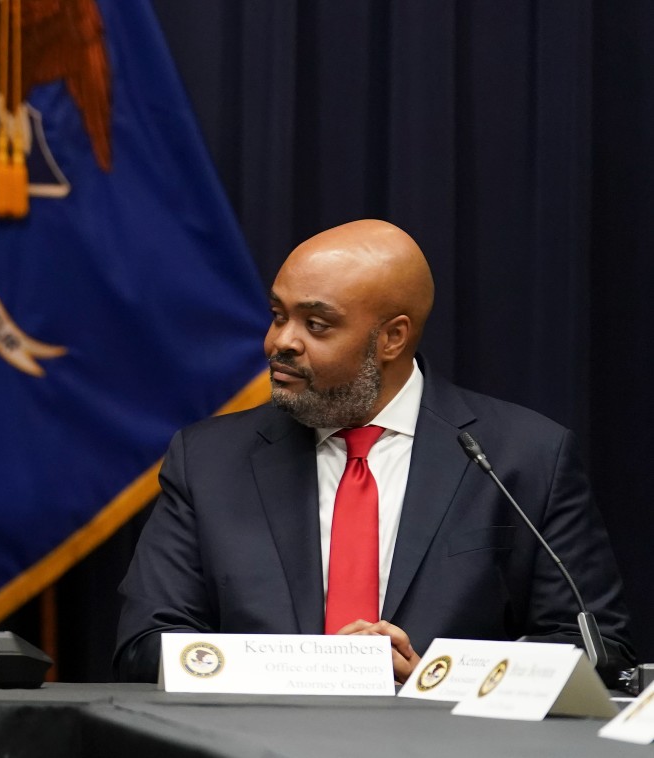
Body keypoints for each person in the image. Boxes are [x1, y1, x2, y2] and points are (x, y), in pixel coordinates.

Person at [114, 219, 633, 684]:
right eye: (278, 315)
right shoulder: (207, 460)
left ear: (391, 338)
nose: (280, 342)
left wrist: (436, 678)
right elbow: (145, 645)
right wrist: (318, 668)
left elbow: (595, 647)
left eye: (315, 325)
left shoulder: (525, 456)